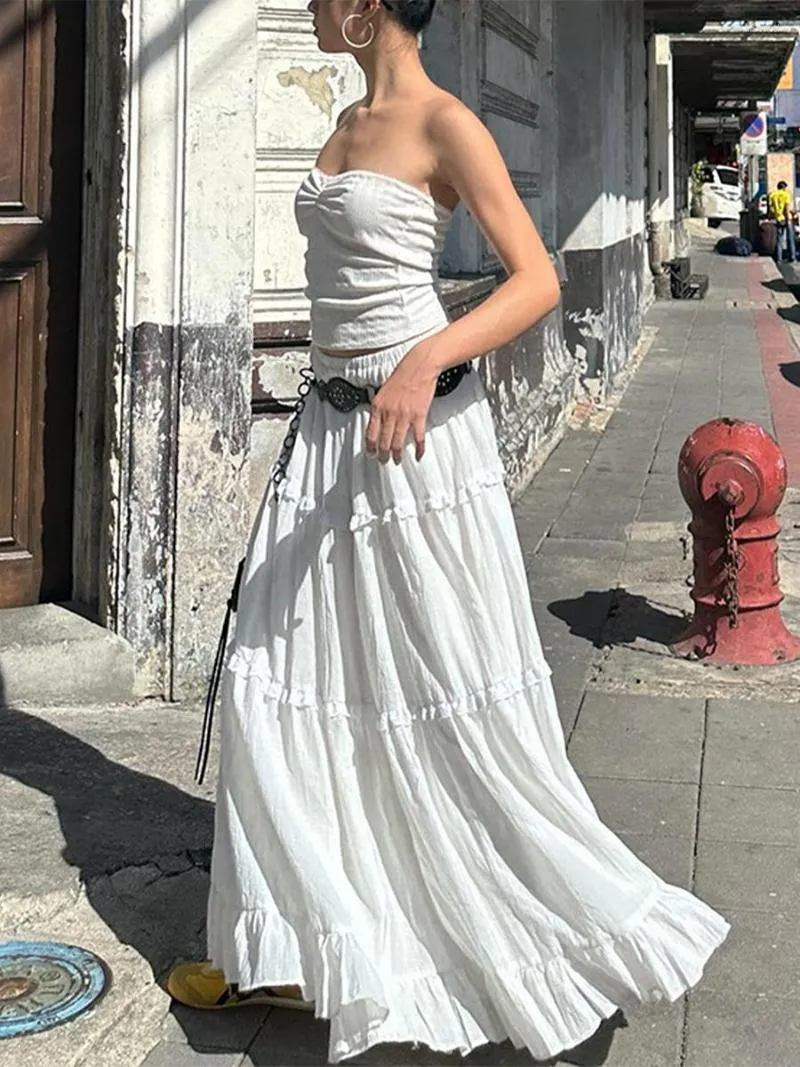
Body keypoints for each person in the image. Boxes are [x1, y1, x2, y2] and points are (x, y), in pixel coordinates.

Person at [167, 2, 729, 1063]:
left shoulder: (445, 122)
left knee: (436, 683)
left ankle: (547, 926)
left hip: (415, 443)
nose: (309, 4)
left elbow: (537, 279)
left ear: (367, 4)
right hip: (328, 437)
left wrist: (427, 358)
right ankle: (286, 941)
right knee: (274, 682)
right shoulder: (344, 121)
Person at [768, 179, 798, 263]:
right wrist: (788, 218)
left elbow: (771, 209)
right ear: (784, 187)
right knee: (790, 238)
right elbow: (786, 208)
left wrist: (773, 216)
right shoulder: (786, 195)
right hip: (786, 218)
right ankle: (792, 257)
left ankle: (779, 258)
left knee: (779, 239)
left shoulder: (773, 195)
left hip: (778, 219)